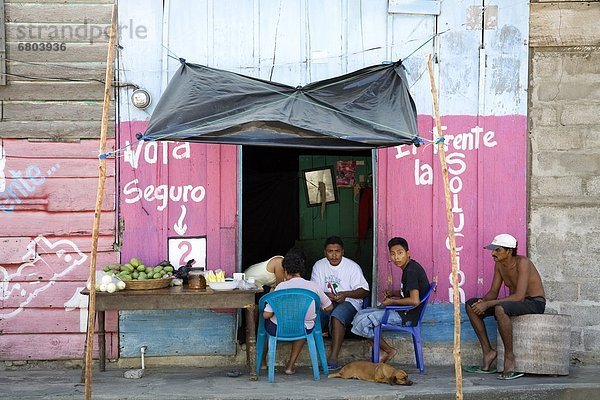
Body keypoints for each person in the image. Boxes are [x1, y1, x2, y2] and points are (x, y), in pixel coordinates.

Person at [464, 233, 546, 380]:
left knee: (500, 309)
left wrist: (488, 304)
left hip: (534, 302)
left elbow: (519, 297)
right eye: (493, 250)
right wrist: (482, 302)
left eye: (497, 250)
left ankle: (509, 357)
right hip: (515, 303)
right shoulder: (499, 265)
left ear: (509, 251)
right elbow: (493, 292)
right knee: (471, 305)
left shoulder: (523, 263)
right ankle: (488, 352)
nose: (493, 253)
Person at [351, 237, 430, 363]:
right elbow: (408, 292)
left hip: (406, 316)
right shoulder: (409, 267)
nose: (396, 257)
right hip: (404, 312)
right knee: (360, 314)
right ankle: (381, 350)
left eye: (400, 253)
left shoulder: (411, 271)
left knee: (364, 321)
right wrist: (393, 293)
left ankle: (387, 350)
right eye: (392, 254)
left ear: (408, 253)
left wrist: (392, 301)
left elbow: (414, 300)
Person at [262, 248, 333, 375]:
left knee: (267, 325)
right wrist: (317, 309)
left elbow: (267, 315)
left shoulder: (280, 287)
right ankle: (290, 366)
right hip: (303, 328)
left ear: (286, 271)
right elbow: (329, 307)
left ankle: (262, 362)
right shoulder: (313, 286)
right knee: (305, 322)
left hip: (278, 329)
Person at [310, 236, 369, 371]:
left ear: (343, 251)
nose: (334, 255)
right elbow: (314, 289)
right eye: (330, 251)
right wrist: (328, 296)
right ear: (325, 252)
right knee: (312, 317)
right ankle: (311, 354)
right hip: (326, 302)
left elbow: (364, 291)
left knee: (337, 316)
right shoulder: (319, 266)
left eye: (337, 251)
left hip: (349, 302)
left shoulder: (352, 267)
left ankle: (333, 358)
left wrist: (346, 294)